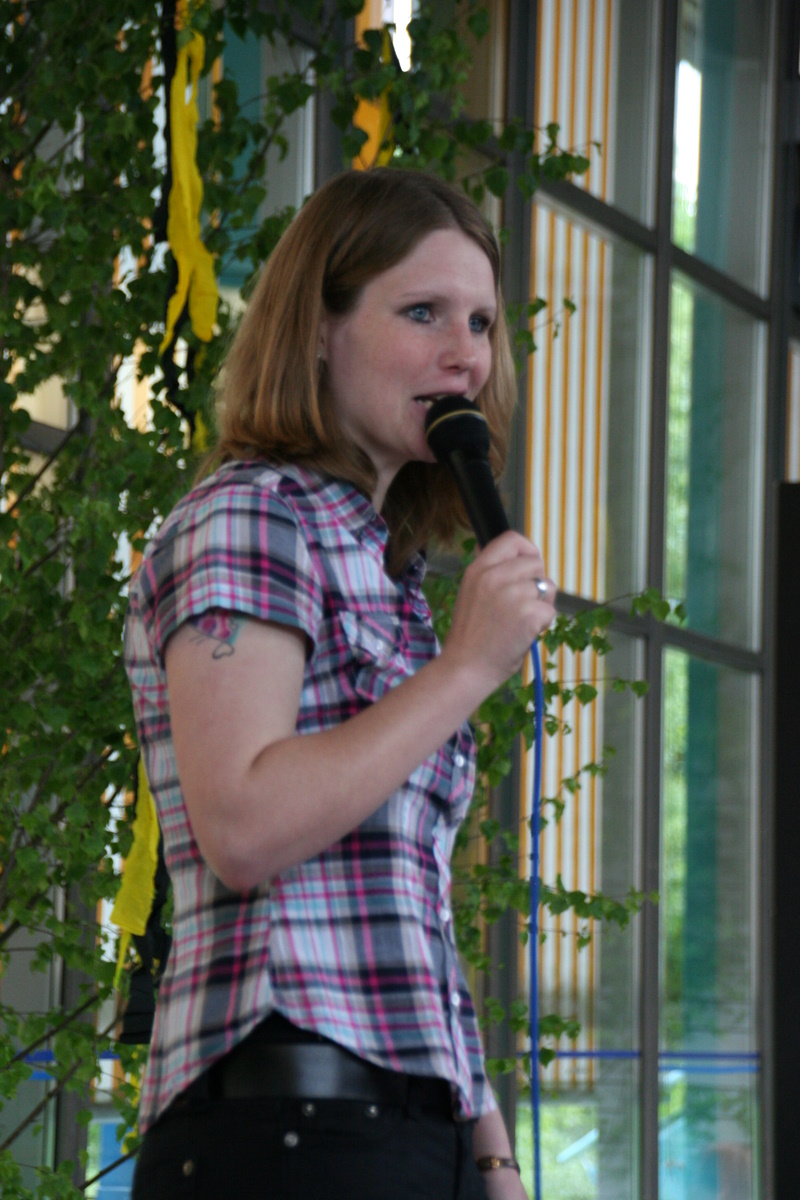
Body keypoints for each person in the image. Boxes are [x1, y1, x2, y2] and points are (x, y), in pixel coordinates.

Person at [123, 166, 555, 1200]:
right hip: (287, 1126)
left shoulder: (384, 568)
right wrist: (466, 668)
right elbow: (244, 825)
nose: (465, 354)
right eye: (422, 312)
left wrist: (491, 1157)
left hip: (409, 1131)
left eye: (481, 322)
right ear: (318, 329)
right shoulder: (250, 514)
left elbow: (406, 911)